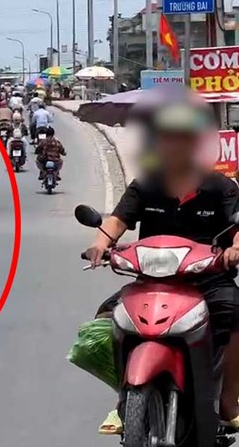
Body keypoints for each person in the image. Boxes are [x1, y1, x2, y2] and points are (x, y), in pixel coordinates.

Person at [85, 93, 239, 434]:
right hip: (153, 280)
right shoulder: (146, 185)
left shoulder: (221, 187)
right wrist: (100, 243)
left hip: (207, 279)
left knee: (233, 314)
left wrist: (235, 248)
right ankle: (123, 398)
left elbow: (237, 226)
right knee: (107, 318)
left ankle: (228, 401)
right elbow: (117, 220)